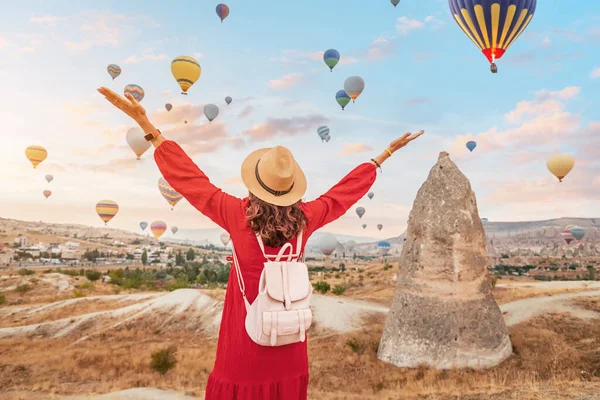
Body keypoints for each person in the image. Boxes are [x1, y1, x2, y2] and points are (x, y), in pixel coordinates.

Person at [98, 87, 423, 399]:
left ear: (255, 184)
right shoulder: (306, 218)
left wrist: (147, 126)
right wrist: (383, 156)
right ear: (292, 188)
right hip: (289, 340)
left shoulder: (234, 213)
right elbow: (340, 196)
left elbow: (189, 180)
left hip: (247, 339)